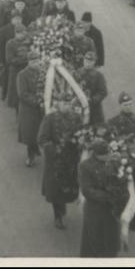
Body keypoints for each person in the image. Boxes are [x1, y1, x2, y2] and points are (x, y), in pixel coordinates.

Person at [37, 94, 83, 229]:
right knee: (55, 190)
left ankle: (62, 209)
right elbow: (42, 139)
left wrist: (80, 144)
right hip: (55, 161)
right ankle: (58, 215)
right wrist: (55, 150)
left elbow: (82, 134)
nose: (66, 106)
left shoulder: (76, 118)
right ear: (58, 104)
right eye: (64, 103)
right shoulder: (50, 119)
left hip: (71, 159)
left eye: (69, 104)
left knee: (68, 187)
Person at [79, 139, 121, 257]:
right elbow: (87, 190)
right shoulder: (85, 166)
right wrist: (108, 197)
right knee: (94, 241)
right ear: (97, 155)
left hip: (111, 211)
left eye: (109, 153)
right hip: (95, 210)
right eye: (106, 154)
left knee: (111, 241)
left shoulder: (113, 162)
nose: (109, 156)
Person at [17, 51, 44, 167]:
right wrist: (37, 101)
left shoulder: (42, 72)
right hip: (29, 108)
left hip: (41, 108)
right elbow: (23, 94)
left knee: (40, 130)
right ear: (28, 62)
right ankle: (31, 155)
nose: (35, 63)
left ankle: (35, 148)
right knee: (30, 133)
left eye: (37, 60)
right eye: (32, 61)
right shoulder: (22, 75)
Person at [78, 51, 107, 125]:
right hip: (79, 107)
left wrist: (92, 100)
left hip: (94, 109)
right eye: (86, 60)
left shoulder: (98, 76)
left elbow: (103, 92)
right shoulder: (78, 73)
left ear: (94, 62)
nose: (87, 63)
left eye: (90, 61)